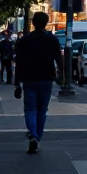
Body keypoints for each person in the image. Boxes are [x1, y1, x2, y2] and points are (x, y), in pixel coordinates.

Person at [14, 12, 63, 154]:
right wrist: (62, 75)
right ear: (46, 22)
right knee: (42, 109)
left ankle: (33, 135)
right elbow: (59, 59)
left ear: (32, 23)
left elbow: (19, 63)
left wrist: (17, 83)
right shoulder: (52, 39)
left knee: (30, 109)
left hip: (29, 78)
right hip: (47, 78)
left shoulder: (24, 40)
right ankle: (37, 136)